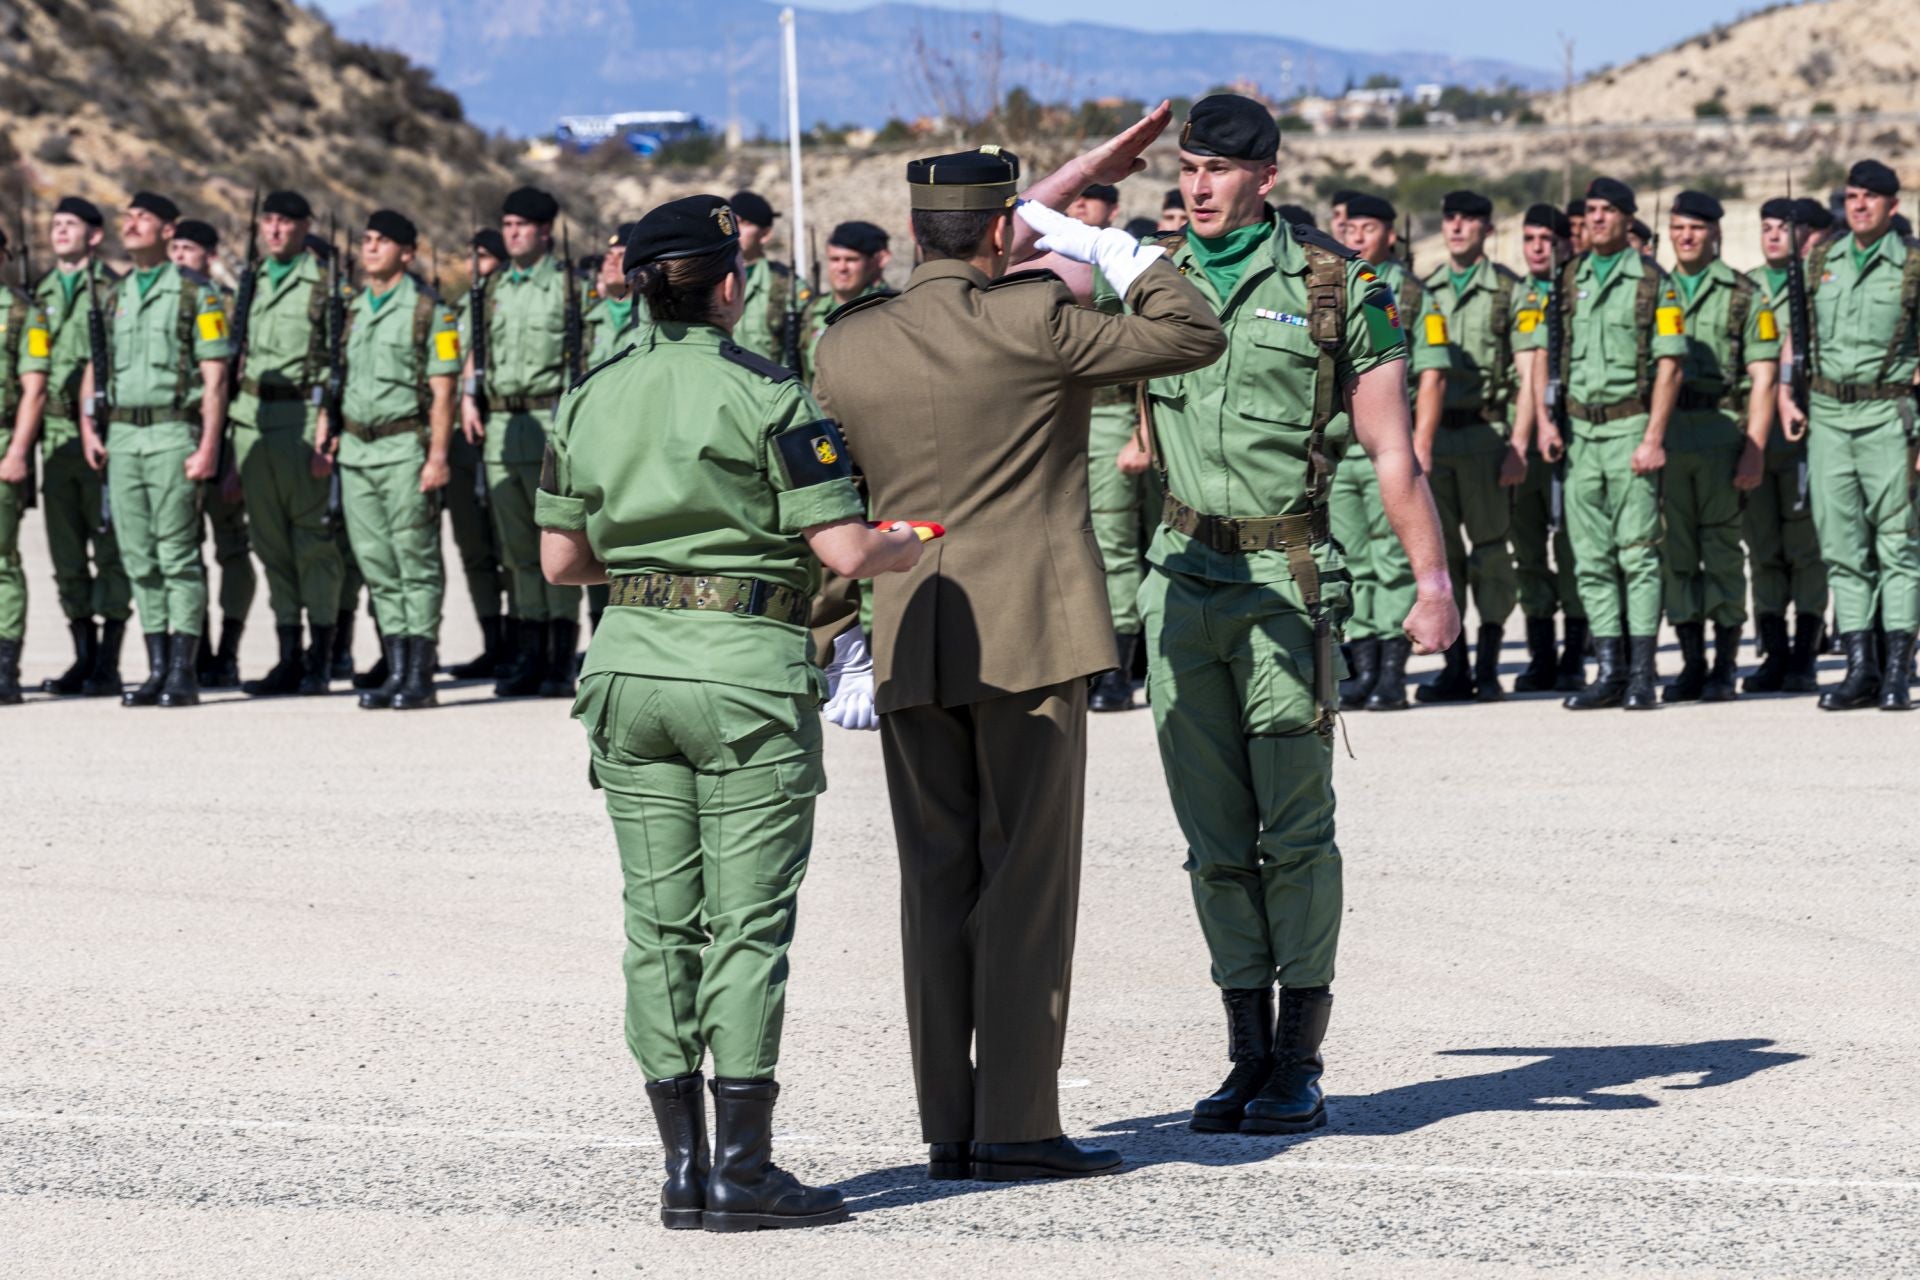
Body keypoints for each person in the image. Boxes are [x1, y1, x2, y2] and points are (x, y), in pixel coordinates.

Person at [813, 112, 1228, 1179]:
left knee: (934, 882)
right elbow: (1193, 329)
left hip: (907, 631)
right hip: (1031, 635)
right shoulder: (1032, 317)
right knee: (1027, 883)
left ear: (912, 231)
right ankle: (1019, 1122)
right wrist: (1109, 242)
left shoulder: (847, 339)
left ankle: (948, 1124)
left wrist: (831, 633)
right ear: (1004, 232)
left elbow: (819, 496)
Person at [536, 195, 922, 1230]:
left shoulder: (590, 395)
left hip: (628, 668)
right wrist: (909, 539)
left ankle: (680, 1170)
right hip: (743, 674)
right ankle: (743, 1172)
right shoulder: (769, 393)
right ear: (729, 285)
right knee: (746, 925)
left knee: (660, 924)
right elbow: (844, 552)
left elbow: (561, 558)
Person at [1106, 95, 1456, 1136]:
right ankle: (1245, 1053)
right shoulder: (1149, 277)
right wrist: (1110, 159)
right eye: (1184, 169)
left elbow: (1393, 451)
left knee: (1294, 832)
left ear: (1267, 173)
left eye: (1216, 169)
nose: (1196, 187)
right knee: (1212, 839)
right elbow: (1019, 231)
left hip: (1286, 581)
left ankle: (1299, 1058)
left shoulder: (1338, 287)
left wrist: (1432, 583)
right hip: (1179, 579)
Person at [77, 192, 233, 707]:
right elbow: (96, 364)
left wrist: (208, 445)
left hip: (171, 433)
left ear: (169, 231)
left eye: (144, 218)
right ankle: (157, 667)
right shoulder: (114, 295)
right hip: (123, 436)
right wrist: (89, 427)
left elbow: (214, 378)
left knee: (177, 555)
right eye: (130, 216)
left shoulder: (195, 294)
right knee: (138, 557)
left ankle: (183, 671)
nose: (133, 223)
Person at [1778, 159, 1920, 711]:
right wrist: (1791, 396)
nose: (1859, 205)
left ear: (1893, 206)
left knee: (1897, 545)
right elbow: (1801, 334)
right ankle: (1861, 669)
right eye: (1852, 196)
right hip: (1830, 415)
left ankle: (1898, 671)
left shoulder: (1911, 265)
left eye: (1870, 197)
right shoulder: (1820, 261)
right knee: (1841, 547)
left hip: (1889, 415)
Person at [1556, 177, 1687, 711]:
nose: (1598, 219)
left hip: (1632, 428)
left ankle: (1640, 672)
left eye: (1609, 210)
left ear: (1629, 218)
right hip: (1582, 432)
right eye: (1591, 211)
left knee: (1637, 555)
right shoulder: (1571, 278)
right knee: (1590, 557)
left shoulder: (1655, 283)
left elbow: (1670, 363)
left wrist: (1654, 437)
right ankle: (1608, 670)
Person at [328, 210, 460, 711]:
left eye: (382, 241)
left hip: (406, 448)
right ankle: (396, 666)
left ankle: (419, 675)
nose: (370, 247)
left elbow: (442, 391)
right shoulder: (354, 308)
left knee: (415, 561)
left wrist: (438, 456)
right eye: (366, 240)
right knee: (377, 563)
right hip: (358, 451)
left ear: (407, 252)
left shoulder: (429, 310)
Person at [461, 186, 582, 699]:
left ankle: (559, 655)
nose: (511, 232)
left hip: (550, 420)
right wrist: (470, 397)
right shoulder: (490, 289)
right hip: (501, 427)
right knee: (516, 552)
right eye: (506, 223)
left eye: (520, 225)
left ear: (544, 231)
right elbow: (474, 346)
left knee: (556, 540)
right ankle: (529, 651)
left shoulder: (568, 287)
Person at [1660, 190, 1779, 702]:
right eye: (1678, 227)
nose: (1686, 237)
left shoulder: (1743, 294)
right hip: (1668, 437)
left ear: (1716, 234)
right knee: (1675, 553)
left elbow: (1764, 376)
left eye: (1696, 228)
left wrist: (1754, 447)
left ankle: (1725, 664)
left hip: (1719, 434)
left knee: (1723, 553)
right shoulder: (1653, 289)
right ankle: (1691, 662)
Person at [1331, 192, 1447, 712]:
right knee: (1355, 559)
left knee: (1391, 558)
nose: (1356, 236)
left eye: (1368, 228)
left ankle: (1393, 674)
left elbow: (1432, 375)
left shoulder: (1405, 294)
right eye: (1350, 227)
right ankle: (1367, 667)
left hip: (1387, 447)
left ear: (1390, 235)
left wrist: (1419, 441)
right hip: (1346, 449)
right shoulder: (1330, 283)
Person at [1415, 189, 1532, 702]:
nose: (1457, 227)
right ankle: (1455, 667)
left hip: (1486, 436)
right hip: (1437, 440)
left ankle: (1488, 664)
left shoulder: (1511, 291)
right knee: (1445, 560)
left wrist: (1519, 443)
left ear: (1488, 229)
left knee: (1489, 554)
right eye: (1451, 218)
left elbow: (1529, 375)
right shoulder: (1427, 289)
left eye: (1469, 220)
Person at [229, 190, 344, 698]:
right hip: (252, 418)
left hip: (301, 419)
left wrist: (328, 427)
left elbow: (336, 361)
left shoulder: (322, 286)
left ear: (304, 227)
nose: (274, 230)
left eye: (285, 222)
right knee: (269, 543)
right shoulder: (248, 283)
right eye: (268, 221)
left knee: (312, 544)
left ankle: (320, 659)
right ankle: (286, 657)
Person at [32, 196, 131, 697]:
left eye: (70, 224)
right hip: (53, 436)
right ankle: (82, 656)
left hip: (100, 435)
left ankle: (109, 661)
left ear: (94, 235)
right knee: (66, 553)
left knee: (109, 546)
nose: (60, 231)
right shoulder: (43, 290)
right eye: (56, 224)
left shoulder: (114, 291)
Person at [1742, 197, 1828, 692]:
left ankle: (1805, 653)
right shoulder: (1746, 287)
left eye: (1783, 228)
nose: (1774, 235)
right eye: (1767, 227)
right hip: (1758, 437)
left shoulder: (1814, 284)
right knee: (1764, 548)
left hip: (1804, 436)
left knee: (1806, 549)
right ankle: (1774, 651)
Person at [168, 217, 255, 688]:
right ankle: (192, 647)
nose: (181, 256)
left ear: (210, 256)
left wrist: (234, 457)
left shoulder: (223, 306)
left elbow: (238, 388)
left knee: (231, 549)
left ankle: (228, 648)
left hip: (222, 441)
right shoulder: (165, 303)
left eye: (190, 249)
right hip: (176, 439)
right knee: (183, 548)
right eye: (175, 247)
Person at [1510, 202, 1587, 692]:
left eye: (1548, 241)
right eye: (1530, 239)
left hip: (1570, 433)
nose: (1538, 249)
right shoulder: (1522, 292)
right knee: (1530, 550)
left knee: (1574, 549)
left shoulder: (1575, 289)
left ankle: (1575, 655)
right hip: (1525, 437)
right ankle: (1541, 655)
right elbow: (1522, 366)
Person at [443, 228, 509, 680]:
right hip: (462, 440)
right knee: (473, 547)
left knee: (510, 545)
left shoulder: (506, 303)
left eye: (484, 257)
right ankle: (492, 642)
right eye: (472, 257)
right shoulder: (461, 309)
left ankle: (525, 640)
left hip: (502, 430)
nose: (474, 265)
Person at [0, 226, 52, 705]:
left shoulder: (21, 314)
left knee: (0, 561)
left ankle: (5, 666)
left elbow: (34, 389)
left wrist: (17, 451)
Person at [797, 221, 891, 378]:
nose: (842, 268)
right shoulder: (812, 311)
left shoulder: (885, 310)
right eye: (835, 259)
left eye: (851, 260)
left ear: (870, 263)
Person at [727, 191, 793, 365]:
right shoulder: (710, 278)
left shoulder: (786, 285)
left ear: (765, 234)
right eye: (733, 221)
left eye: (745, 223)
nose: (737, 230)